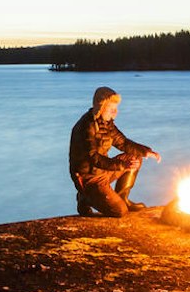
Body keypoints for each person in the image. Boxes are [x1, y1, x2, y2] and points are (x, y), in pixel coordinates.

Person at [68, 86, 161, 217]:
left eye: (116, 108)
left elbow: (123, 142)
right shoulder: (86, 127)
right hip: (89, 178)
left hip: (102, 171)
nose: (115, 112)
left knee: (135, 158)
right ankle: (85, 197)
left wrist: (146, 152)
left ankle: (123, 197)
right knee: (120, 211)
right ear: (100, 107)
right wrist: (122, 165)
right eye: (111, 108)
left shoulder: (107, 123)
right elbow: (93, 157)